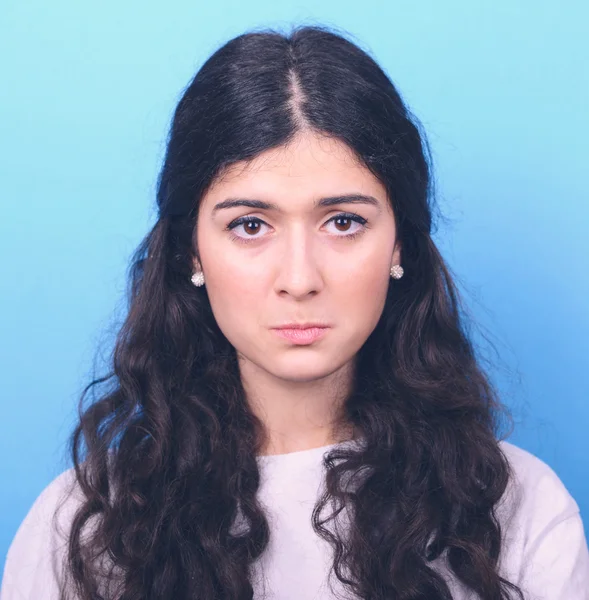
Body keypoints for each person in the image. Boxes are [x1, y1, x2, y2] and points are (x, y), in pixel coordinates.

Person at [1, 24, 588, 600]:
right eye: (250, 226)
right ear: (190, 251)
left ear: (400, 244)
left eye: (344, 222)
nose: (300, 279)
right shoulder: (85, 526)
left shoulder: (515, 509)